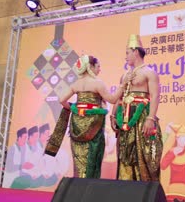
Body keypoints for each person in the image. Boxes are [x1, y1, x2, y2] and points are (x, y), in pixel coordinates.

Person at [46, 54, 124, 179]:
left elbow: (62, 100)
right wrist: (122, 86)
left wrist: (73, 108)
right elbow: (113, 100)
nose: (100, 69)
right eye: (98, 66)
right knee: (92, 156)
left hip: (76, 124)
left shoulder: (76, 84)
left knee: (79, 159)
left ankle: (78, 187)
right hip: (95, 125)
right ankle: (89, 189)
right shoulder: (98, 83)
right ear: (90, 67)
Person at [110, 34, 163, 181]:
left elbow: (155, 96)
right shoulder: (124, 75)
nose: (125, 57)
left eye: (127, 53)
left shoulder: (149, 73)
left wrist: (150, 118)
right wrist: (113, 116)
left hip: (141, 118)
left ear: (135, 51)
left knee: (144, 157)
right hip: (125, 120)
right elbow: (119, 98)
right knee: (125, 156)